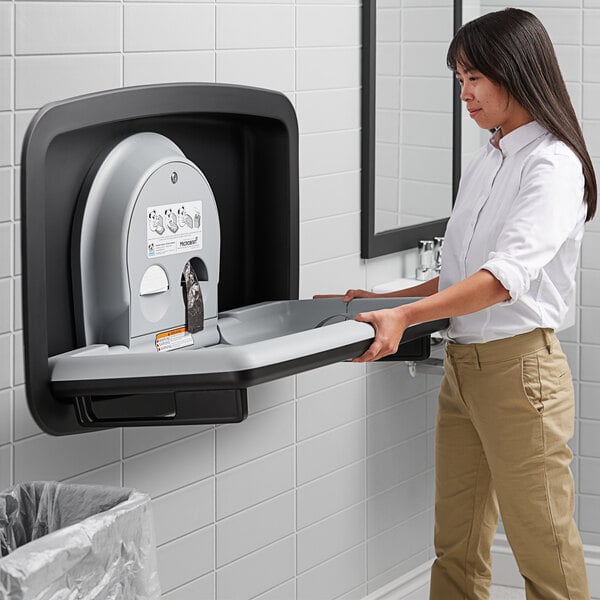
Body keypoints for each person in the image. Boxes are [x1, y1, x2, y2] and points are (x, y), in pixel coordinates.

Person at [318, 8, 597, 599]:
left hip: (522, 374)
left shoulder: (552, 164)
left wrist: (405, 318)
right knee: (456, 546)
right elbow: (458, 275)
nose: (464, 95)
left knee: (544, 553)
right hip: (464, 369)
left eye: (475, 79)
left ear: (516, 74)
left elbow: (501, 280)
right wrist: (375, 301)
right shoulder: (488, 157)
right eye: (459, 81)